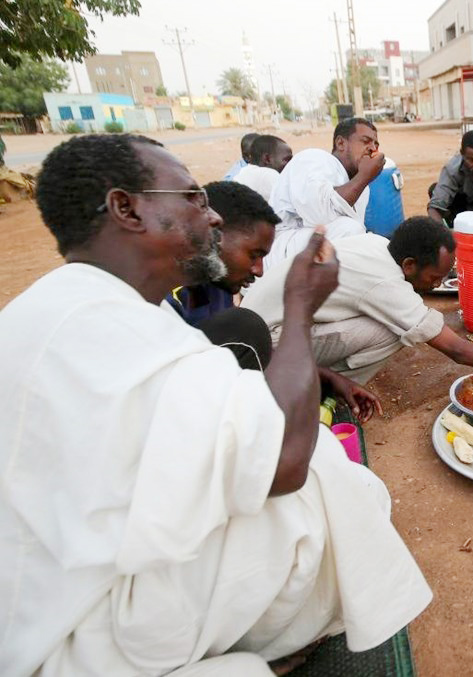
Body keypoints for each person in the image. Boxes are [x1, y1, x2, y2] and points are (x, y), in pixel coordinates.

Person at [2, 134, 431, 675]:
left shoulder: (70, 302)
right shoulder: (106, 323)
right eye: (193, 198)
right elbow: (285, 462)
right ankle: (287, 636)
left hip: (56, 593)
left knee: (317, 461)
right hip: (78, 630)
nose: (210, 216)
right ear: (126, 208)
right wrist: (300, 307)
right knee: (329, 483)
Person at [244, 216, 473, 393]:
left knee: (399, 322)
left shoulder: (376, 244)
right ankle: (326, 387)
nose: (437, 283)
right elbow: (458, 350)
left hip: (264, 327)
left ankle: (326, 377)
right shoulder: (385, 281)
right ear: (408, 265)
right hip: (266, 349)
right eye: (435, 277)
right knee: (397, 331)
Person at [167, 181, 381, 421]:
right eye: (254, 255)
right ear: (215, 233)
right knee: (246, 326)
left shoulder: (217, 286)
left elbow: (247, 352)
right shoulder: (167, 301)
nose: (259, 270)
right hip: (176, 421)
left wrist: (325, 377)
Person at [262, 117, 382, 270]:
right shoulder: (315, 159)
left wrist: (362, 180)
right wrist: (363, 177)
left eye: (376, 144)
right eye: (366, 141)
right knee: (350, 230)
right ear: (341, 143)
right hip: (280, 252)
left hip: (312, 251)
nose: (373, 148)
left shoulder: (361, 187)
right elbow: (321, 216)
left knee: (367, 240)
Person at [233, 134, 293, 201]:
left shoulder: (243, 173)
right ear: (267, 159)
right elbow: (292, 201)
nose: (290, 163)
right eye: (287, 159)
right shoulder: (268, 174)